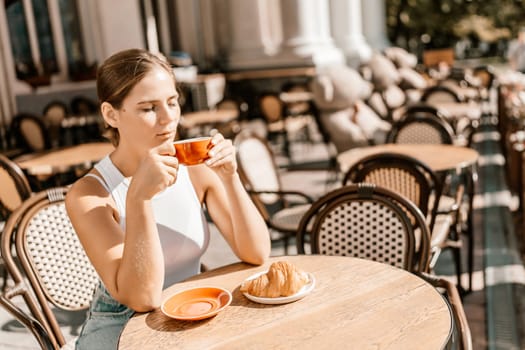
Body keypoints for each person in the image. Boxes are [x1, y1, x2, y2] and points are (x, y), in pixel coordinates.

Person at [65, 48, 271, 349]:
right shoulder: (90, 194)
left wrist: (230, 176)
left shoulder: (195, 169)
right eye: (149, 108)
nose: (168, 119)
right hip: (120, 330)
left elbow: (256, 253)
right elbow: (143, 297)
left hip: (188, 317)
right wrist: (139, 199)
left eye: (172, 102)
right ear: (111, 114)